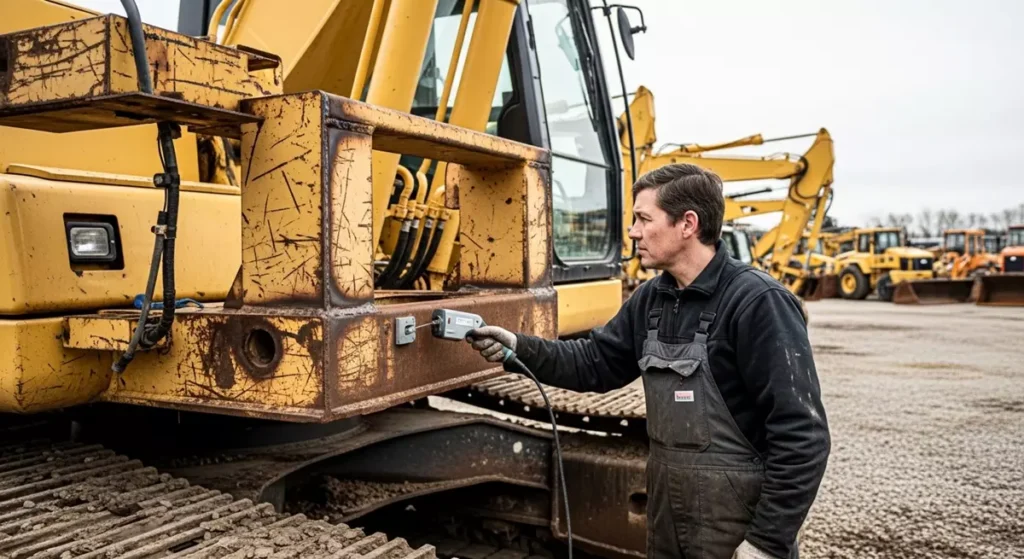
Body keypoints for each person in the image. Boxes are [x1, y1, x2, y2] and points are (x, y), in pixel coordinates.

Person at [467, 164, 830, 559]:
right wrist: (518, 348)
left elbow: (802, 435)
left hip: (735, 529)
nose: (633, 232)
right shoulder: (651, 299)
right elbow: (594, 362)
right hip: (667, 518)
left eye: (643, 219)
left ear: (687, 224)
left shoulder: (757, 303)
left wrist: (766, 542)